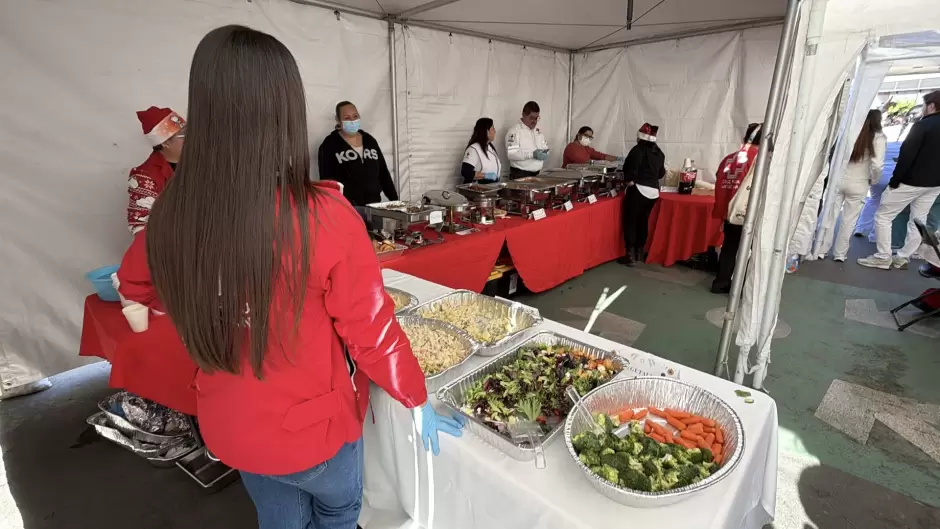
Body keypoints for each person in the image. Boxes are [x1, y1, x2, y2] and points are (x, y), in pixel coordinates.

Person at [145, 26, 463, 529]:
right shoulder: (323, 215)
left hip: (230, 426)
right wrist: (416, 398)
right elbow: (372, 332)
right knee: (338, 512)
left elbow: (153, 294)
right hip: (312, 433)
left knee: (278, 516)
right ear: (284, 112)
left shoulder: (169, 215)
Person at [859, 91, 940, 270]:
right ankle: (903, 257)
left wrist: (895, 181)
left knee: (883, 216)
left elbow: (907, 154)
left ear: (932, 105)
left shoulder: (922, 126)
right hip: (934, 184)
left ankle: (883, 256)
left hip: (911, 181)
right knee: (919, 219)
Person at [816, 110, 886, 262]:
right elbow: (878, 165)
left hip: (839, 179)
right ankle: (840, 254)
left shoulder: (849, 133)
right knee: (849, 220)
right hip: (859, 182)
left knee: (829, 217)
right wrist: (873, 180)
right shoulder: (878, 138)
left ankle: (821, 250)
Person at [711, 123, 762, 293]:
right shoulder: (760, 160)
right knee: (749, 252)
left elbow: (719, 179)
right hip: (747, 212)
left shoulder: (730, 157)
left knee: (729, 248)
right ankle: (740, 287)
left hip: (729, 211)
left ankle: (720, 283)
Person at [318, 101, 398, 207]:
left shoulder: (369, 141)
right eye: (347, 118)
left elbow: (383, 174)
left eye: (355, 116)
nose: (352, 120)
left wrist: (396, 201)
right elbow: (327, 183)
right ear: (338, 120)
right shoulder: (329, 145)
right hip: (347, 209)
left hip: (374, 207)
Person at [127, 106, 185, 234]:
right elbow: (141, 227)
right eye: (182, 135)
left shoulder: (198, 165)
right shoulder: (143, 176)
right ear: (166, 143)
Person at [619, 123, 665, 266]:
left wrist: (629, 181)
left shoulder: (638, 150)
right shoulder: (659, 153)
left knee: (631, 221)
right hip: (653, 192)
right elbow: (661, 173)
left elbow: (630, 168)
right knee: (643, 221)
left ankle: (630, 254)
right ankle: (640, 252)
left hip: (639, 189)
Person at [506, 101, 549, 179]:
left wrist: (546, 152)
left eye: (537, 118)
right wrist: (532, 154)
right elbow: (511, 154)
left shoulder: (538, 131)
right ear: (523, 115)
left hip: (537, 174)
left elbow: (545, 146)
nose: (535, 121)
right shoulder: (514, 132)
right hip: (520, 175)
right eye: (532, 118)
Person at [461, 117, 501, 184]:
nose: (495, 131)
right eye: (493, 129)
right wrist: (485, 176)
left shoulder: (490, 147)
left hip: (491, 188)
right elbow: (466, 172)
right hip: (478, 190)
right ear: (486, 131)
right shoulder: (473, 149)